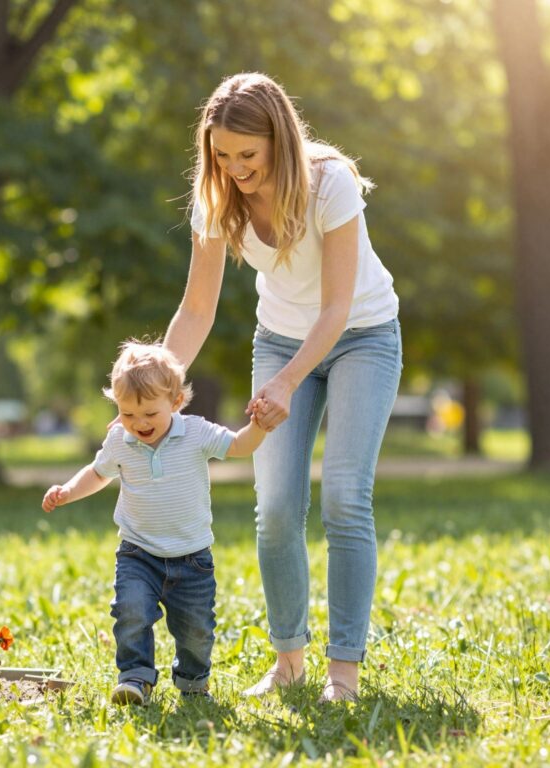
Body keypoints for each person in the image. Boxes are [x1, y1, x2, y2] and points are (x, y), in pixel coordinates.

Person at [163, 72, 402, 703]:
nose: (235, 169)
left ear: (279, 140)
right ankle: (289, 661)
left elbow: (337, 307)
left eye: (248, 155)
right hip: (278, 341)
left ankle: (343, 672)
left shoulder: (331, 184)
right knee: (274, 509)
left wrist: (288, 383)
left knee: (346, 498)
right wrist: (157, 383)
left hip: (361, 336)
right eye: (221, 155)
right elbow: (195, 310)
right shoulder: (216, 200)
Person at [41, 340, 266, 705]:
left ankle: (193, 683)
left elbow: (240, 446)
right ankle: (135, 677)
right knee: (130, 613)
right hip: (137, 552)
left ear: (175, 402)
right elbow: (98, 474)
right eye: (128, 414)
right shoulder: (120, 440)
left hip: (192, 558)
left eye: (149, 414)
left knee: (196, 630)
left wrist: (259, 425)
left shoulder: (195, 432)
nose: (139, 424)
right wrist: (67, 491)